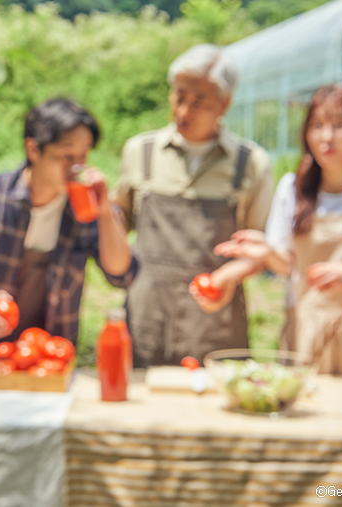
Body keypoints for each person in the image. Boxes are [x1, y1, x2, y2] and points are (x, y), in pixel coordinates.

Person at [198, 83, 342, 376]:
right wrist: (267, 251)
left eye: (340, 126)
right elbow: (289, 265)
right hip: (303, 333)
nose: (326, 137)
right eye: (317, 126)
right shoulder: (292, 190)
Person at [0, 98, 138, 368]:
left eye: (83, 156)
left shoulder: (85, 209)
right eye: (66, 156)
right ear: (33, 149)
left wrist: (107, 211)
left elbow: (121, 273)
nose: (77, 167)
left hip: (47, 362)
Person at [114, 44, 273, 367]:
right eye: (179, 97)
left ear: (225, 104)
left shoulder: (250, 164)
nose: (184, 111)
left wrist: (226, 278)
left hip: (215, 316)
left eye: (199, 101)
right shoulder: (140, 152)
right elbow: (117, 225)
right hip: (146, 313)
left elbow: (260, 248)